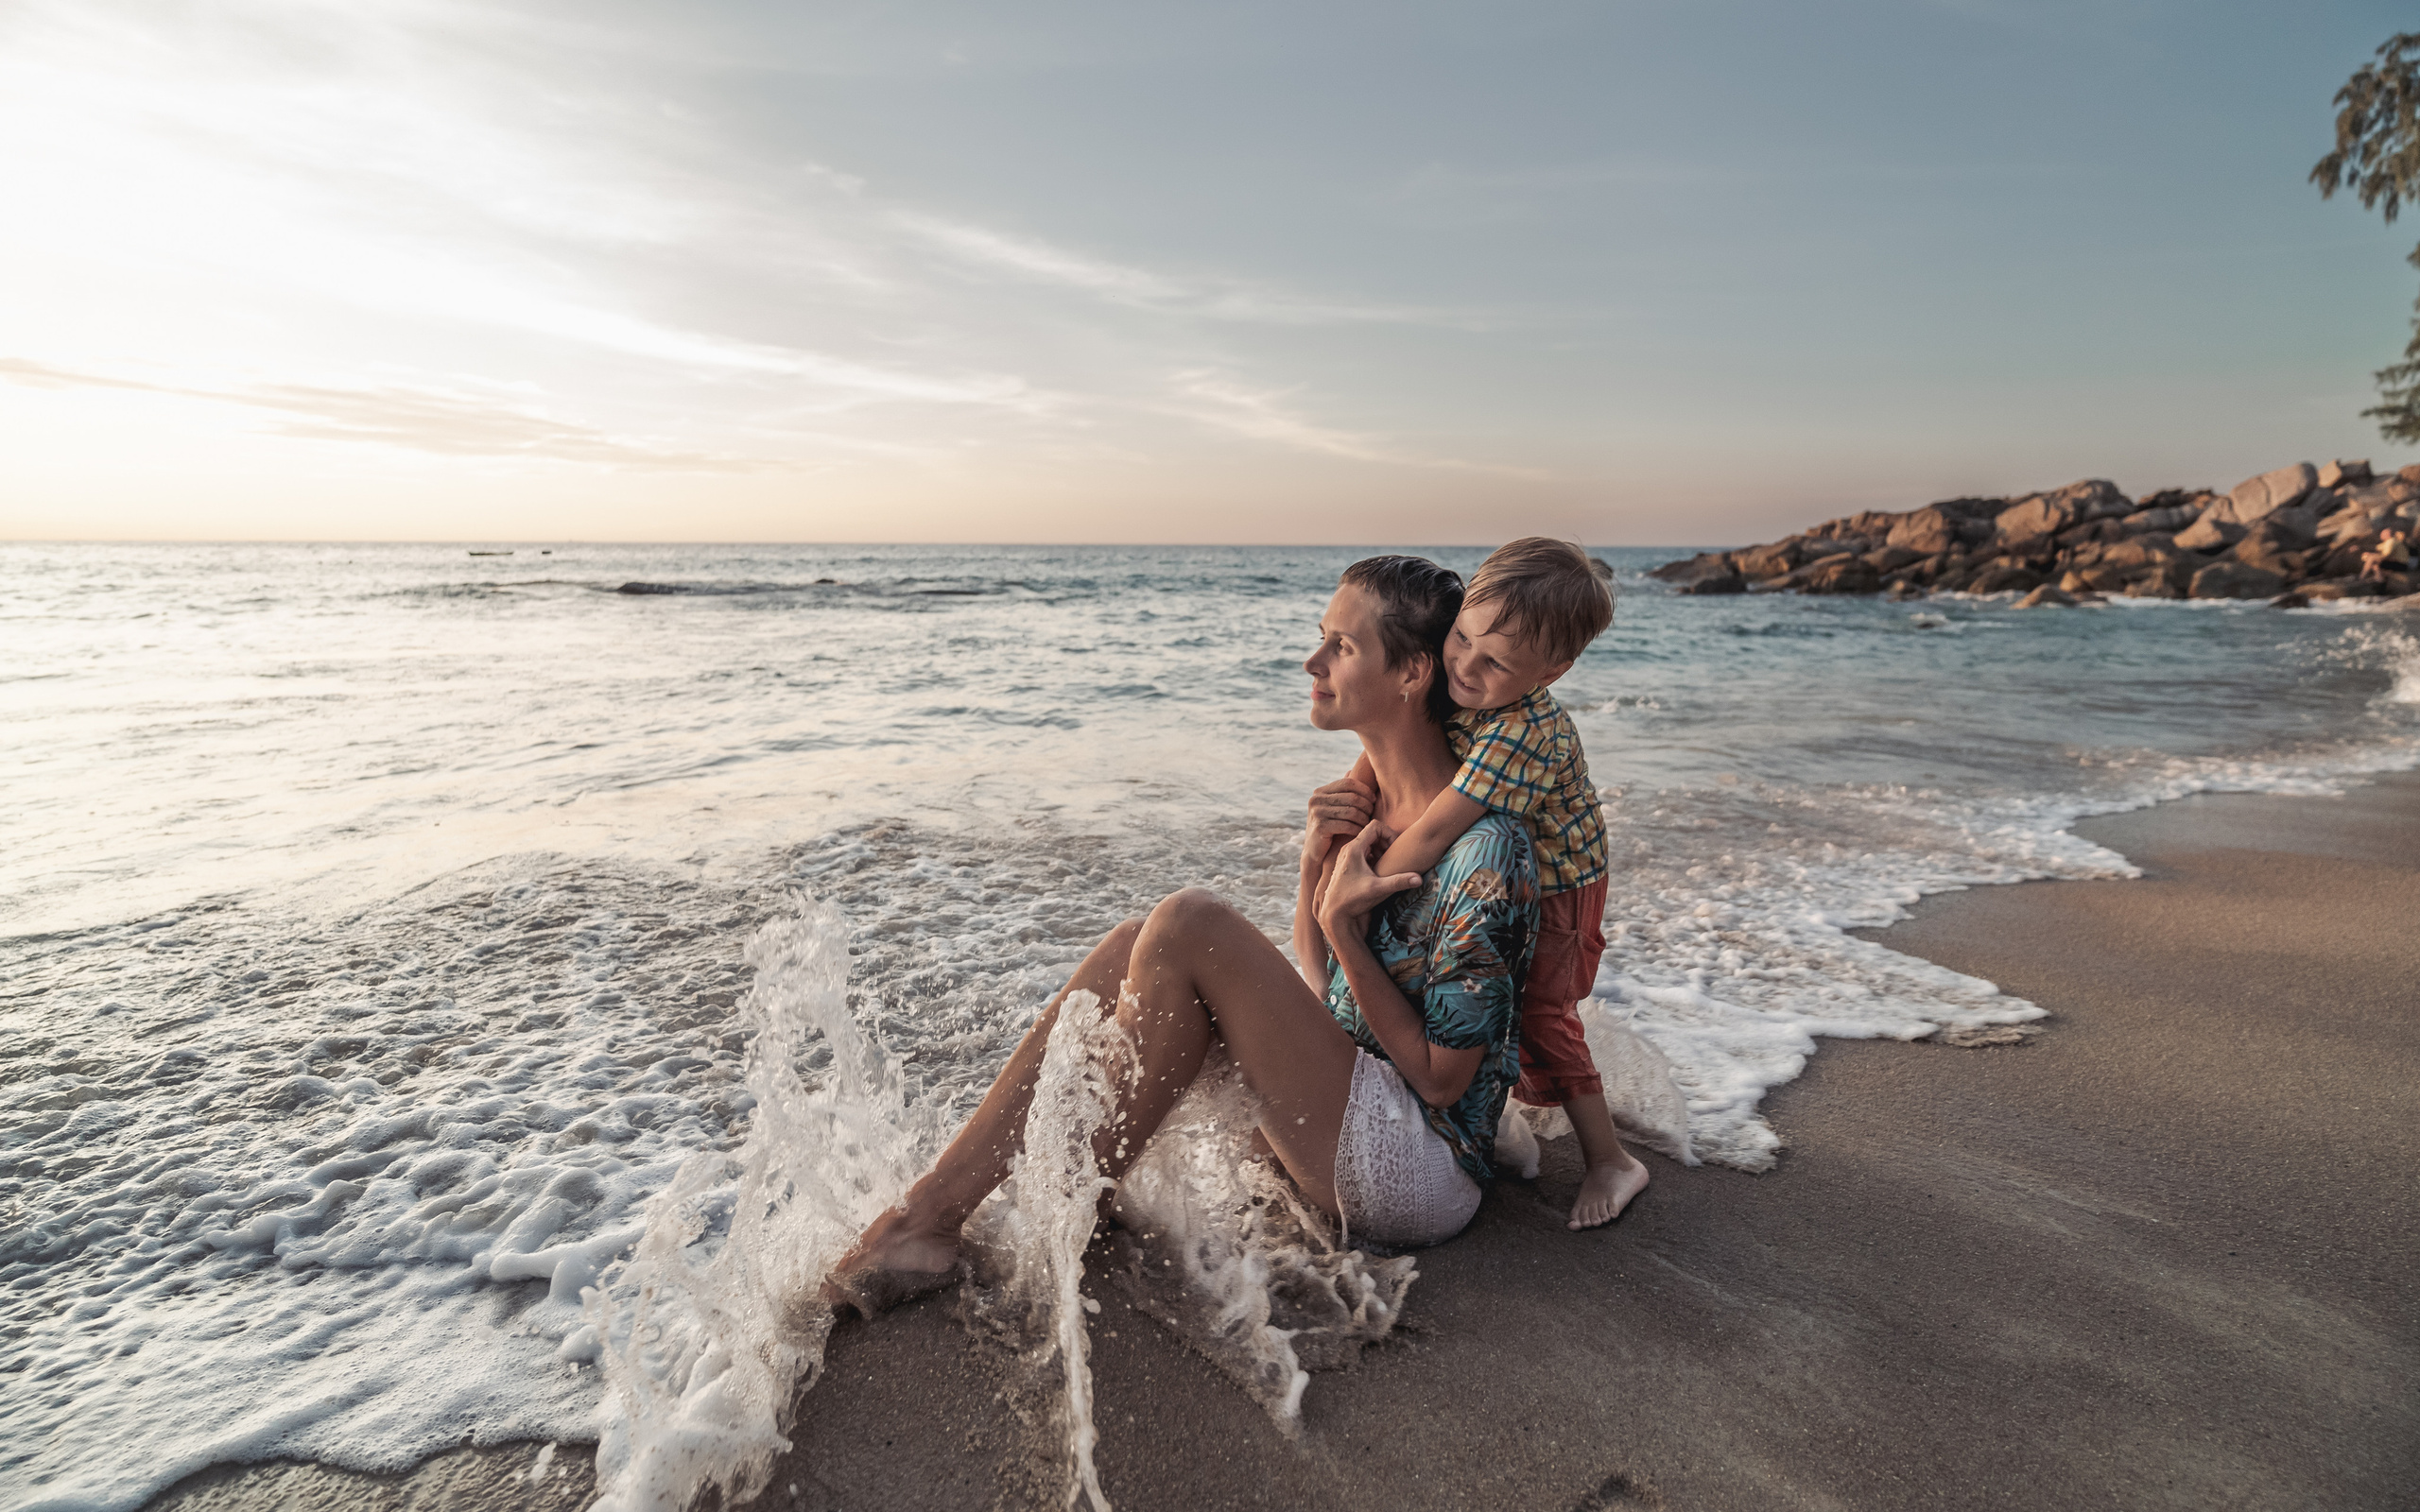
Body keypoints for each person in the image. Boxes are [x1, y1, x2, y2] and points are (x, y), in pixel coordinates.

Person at [824, 557, 1537, 1314]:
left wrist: (1343, 928)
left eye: (1343, 646)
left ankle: (1033, 1211)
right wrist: (1313, 873)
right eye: (1321, 638)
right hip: (1355, 1102)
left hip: (1425, 1169)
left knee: (1190, 921)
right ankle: (943, 1211)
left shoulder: (1483, 850)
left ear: (1412, 673)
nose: (1313, 661)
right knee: (1135, 942)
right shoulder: (1363, 809)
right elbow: (1333, 995)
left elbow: (1440, 1081)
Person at [1309, 538, 1647, 1232]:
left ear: (1553, 669)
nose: (1465, 666)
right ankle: (1494, 1116)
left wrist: (1364, 881)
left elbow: (1434, 835)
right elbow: (1384, 757)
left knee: (1545, 1016)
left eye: (1493, 662)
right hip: (1526, 873)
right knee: (1492, 1003)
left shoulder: (1521, 732)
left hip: (1563, 884)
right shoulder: (1473, 690)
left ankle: (1610, 1157)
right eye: (1461, 638)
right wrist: (1341, 812)